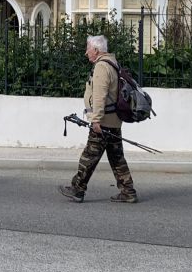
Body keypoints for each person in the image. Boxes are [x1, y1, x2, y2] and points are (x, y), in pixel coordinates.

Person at [59, 35, 138, 204]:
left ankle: (77, 189)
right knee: (117, 158)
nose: (86, 52)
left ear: (96, 50)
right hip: (113, 120)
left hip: (103, 122)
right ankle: (128, 192)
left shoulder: (102, 66)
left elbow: (99, 96)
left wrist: (96, 120)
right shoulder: (112, 63)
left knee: (88, 157)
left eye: (88, 49)